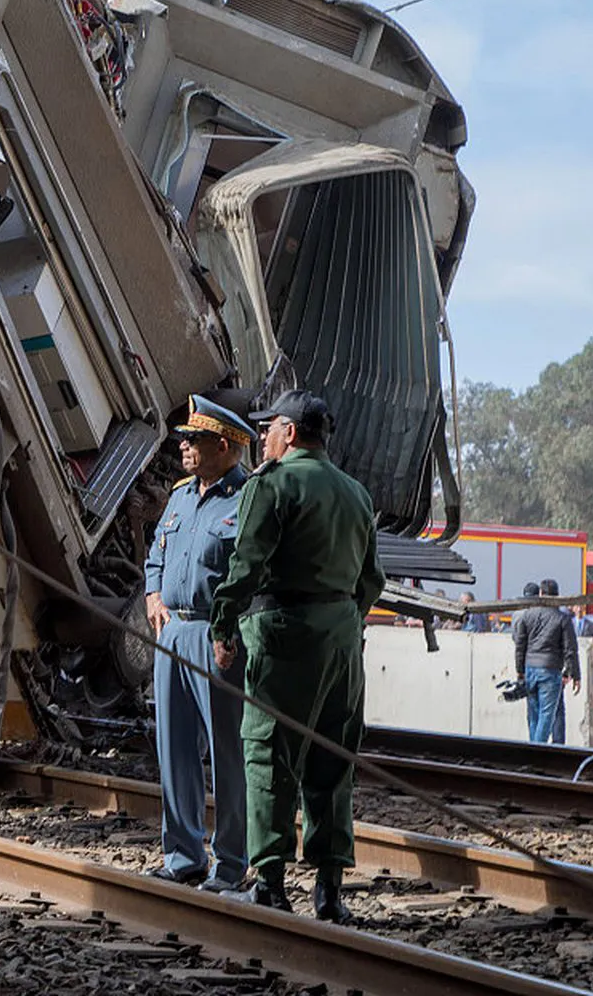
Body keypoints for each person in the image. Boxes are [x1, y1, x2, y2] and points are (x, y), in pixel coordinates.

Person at [210, 390, 385, 924]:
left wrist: (224, 624)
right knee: (333, 762)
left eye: (268, 428)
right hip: (342, 641)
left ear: (288, 432)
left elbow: (246, 565)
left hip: (285, 635)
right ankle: (329, 892)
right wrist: (343, 621)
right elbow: (371, 581)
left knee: (268, 753)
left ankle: (269, 885)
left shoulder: (273, 483)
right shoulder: (356, 493)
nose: (262, 437)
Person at [143, 395, 253, 893]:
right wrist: (151, 594)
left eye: (194, 440)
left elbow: (253, 572)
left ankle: (230, 864)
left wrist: (229, 631)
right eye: (184, 439)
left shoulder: (245, 499)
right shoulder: (182, 495)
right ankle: (184, 855)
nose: (184, 446)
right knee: (175, 749)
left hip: (216, 636)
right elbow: (155, 557)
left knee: (227, 754)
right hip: (173, 635)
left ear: (224, 446)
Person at [512, 581, 580, 744]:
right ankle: (537, 751)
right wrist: (575, 674)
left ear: (540, 594)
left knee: (533, 714)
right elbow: (570, 649)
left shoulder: (527, 616)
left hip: (530, 669)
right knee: (546, 715)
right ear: (557, 596)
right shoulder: (562, 619)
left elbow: (520, 646)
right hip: (550, 670)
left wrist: (520, 670)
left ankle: (533, 748)